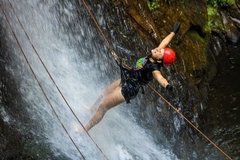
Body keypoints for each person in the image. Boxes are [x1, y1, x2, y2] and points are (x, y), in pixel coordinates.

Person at [84, 22, 180, 131]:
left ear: (159, 60)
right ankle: (90, 110)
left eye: (160, 52)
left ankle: (84, 129)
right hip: (127, 77)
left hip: (129, 89)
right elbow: (165, 42)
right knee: (104, 92)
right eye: (160, 49)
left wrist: (167, 85)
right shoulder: (155, 54)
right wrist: (173, 32)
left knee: (103, 106)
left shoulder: (154, 68)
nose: (158, 49)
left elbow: (160, 78)